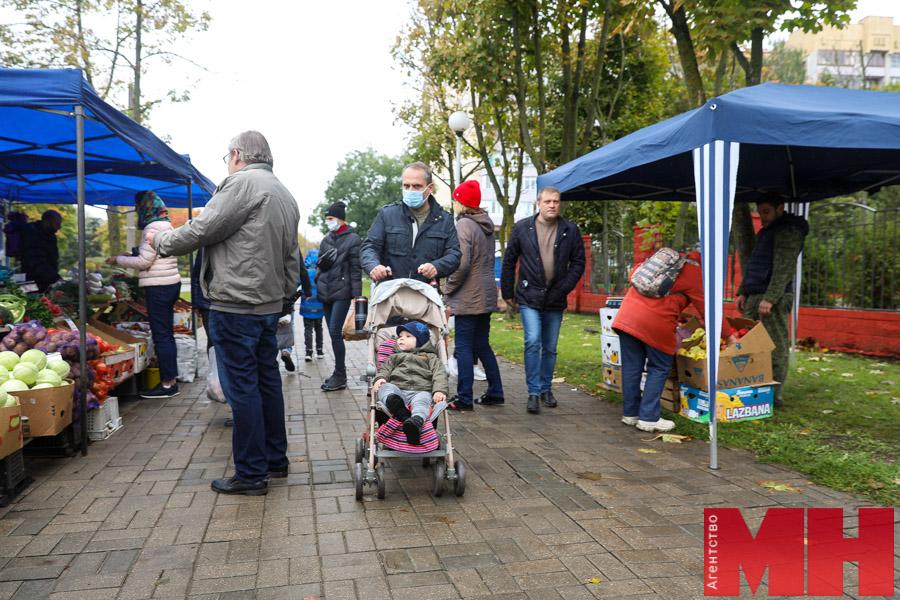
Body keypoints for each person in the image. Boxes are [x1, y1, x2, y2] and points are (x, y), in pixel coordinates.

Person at [149, 131, 300, 496]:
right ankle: (275, 460)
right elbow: (291, 256)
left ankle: (250, 473)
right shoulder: (284, 193)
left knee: (243, 387)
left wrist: (162, 242)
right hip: (266, 306)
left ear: (236, 154)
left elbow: (203, 227)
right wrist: (284, 299)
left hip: (236, 305)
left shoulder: (241, 185)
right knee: (267, 382)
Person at [613, 249, 734, 432]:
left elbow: (635, 275)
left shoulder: (663, 261)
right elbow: (709, 310)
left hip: (626, 317)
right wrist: (728, 335)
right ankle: (648, 418)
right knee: (659, 366)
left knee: (632, 366)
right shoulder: (695, 273)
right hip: (655, 323)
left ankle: (631, 414)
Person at [501, 187, 585, 415]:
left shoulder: (570, 230)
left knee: (550, 347)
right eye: (547, 201)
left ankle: (547, 388)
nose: (552, 205)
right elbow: (509, 260)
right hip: (529, 295)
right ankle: (533, 392)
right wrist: (507, 291)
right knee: (532, 340)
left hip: (556, 297)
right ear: (538, 203)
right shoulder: (522, 228)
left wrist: (564, 288)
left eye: (556, 202)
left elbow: (578, 263)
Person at [735, 197, 809, 407]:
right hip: (755, 295)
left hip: (771, 298)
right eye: (760, 211)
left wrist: (771, 298)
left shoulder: (789, 231)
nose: (762, 217)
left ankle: (773, 396)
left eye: (766, 211)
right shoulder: (768, 231)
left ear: (780, 208)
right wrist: (743, 291)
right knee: (748, 343)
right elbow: (754, 264)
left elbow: (784, 267)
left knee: (774, 346)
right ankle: (750, 388)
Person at [108, 191, 182, 399]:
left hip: (158, 286)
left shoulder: (153, 227)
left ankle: (168, 384)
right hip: (169, 283)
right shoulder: (166, 224)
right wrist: (132, 253)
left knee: (162, 335)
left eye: (138, 205)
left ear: (145, 207)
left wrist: (118, 260)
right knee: (166, 333)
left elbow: (144, 262)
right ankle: (171, 380)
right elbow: (152, 254)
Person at [443, 180, 504, 411]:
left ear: (461, 202)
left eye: (456, 199)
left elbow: (462, 263)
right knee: (482, 345)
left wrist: (448, 288)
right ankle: (496, 391)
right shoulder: (485, 224)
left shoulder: (464, 226)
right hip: (486, 293)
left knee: (464, 347)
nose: (454, 202)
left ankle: (464, 398)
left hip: (469, 296)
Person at [360, 161, 461, 285]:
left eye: (417, 186)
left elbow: (454, 255)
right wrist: (373, 266)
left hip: (425, 293)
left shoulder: (444, 220)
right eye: (406, 186)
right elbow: (369, 247)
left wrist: (436, 267)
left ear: (429, 188)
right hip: (389, 292)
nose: (410, 190)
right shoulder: (387, 215)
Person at [371, 321, 448, 445]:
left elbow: (439, 374)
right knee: (385, 387)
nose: (401, 339)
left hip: (421, 390)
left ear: (420, 341)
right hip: (398, 390)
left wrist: (439, 390)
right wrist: (380, 378)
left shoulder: (430, 358)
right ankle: (402, 413)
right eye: (400, 336)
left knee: (422, 402)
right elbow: (384, 370)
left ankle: (415, 422)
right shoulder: (394, 357)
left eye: (408, 336)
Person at [316, 201, 362, 392]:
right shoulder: (326, 239)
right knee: (333, 334)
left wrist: (357, 295)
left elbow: (355, 268)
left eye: (331, 218)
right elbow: (319, 264)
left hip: (341, 292)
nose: (328, 222)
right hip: (325, 292)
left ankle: (340, 374)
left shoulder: (353, 239)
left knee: (335, 332)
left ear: (340, 219)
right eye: (327, 219)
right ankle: (339, 374)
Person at [277, 253, 312, 372]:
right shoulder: (291, 242)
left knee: (271, 325)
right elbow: (301, 269)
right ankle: (286, 350)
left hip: (269, 291)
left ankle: (271, 355)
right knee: (287, 322)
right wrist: (307, 290)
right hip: (288, 293)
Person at [21, 210, 63, 292]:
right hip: (32, 281)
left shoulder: (50, 235)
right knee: (33, 301)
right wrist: (55, 277)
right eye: (57, 224)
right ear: (47, 222)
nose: (59, 227)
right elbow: (35, 261)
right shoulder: (32, 234)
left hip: (46, 280)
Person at [300, 249, 325, 362]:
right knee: (319, 327)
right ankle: (319, 350)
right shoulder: (322, 272)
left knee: (308, 328)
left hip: (307, 305)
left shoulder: (304, 271)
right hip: (319, 305)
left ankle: (308, 352)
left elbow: (296, 283)